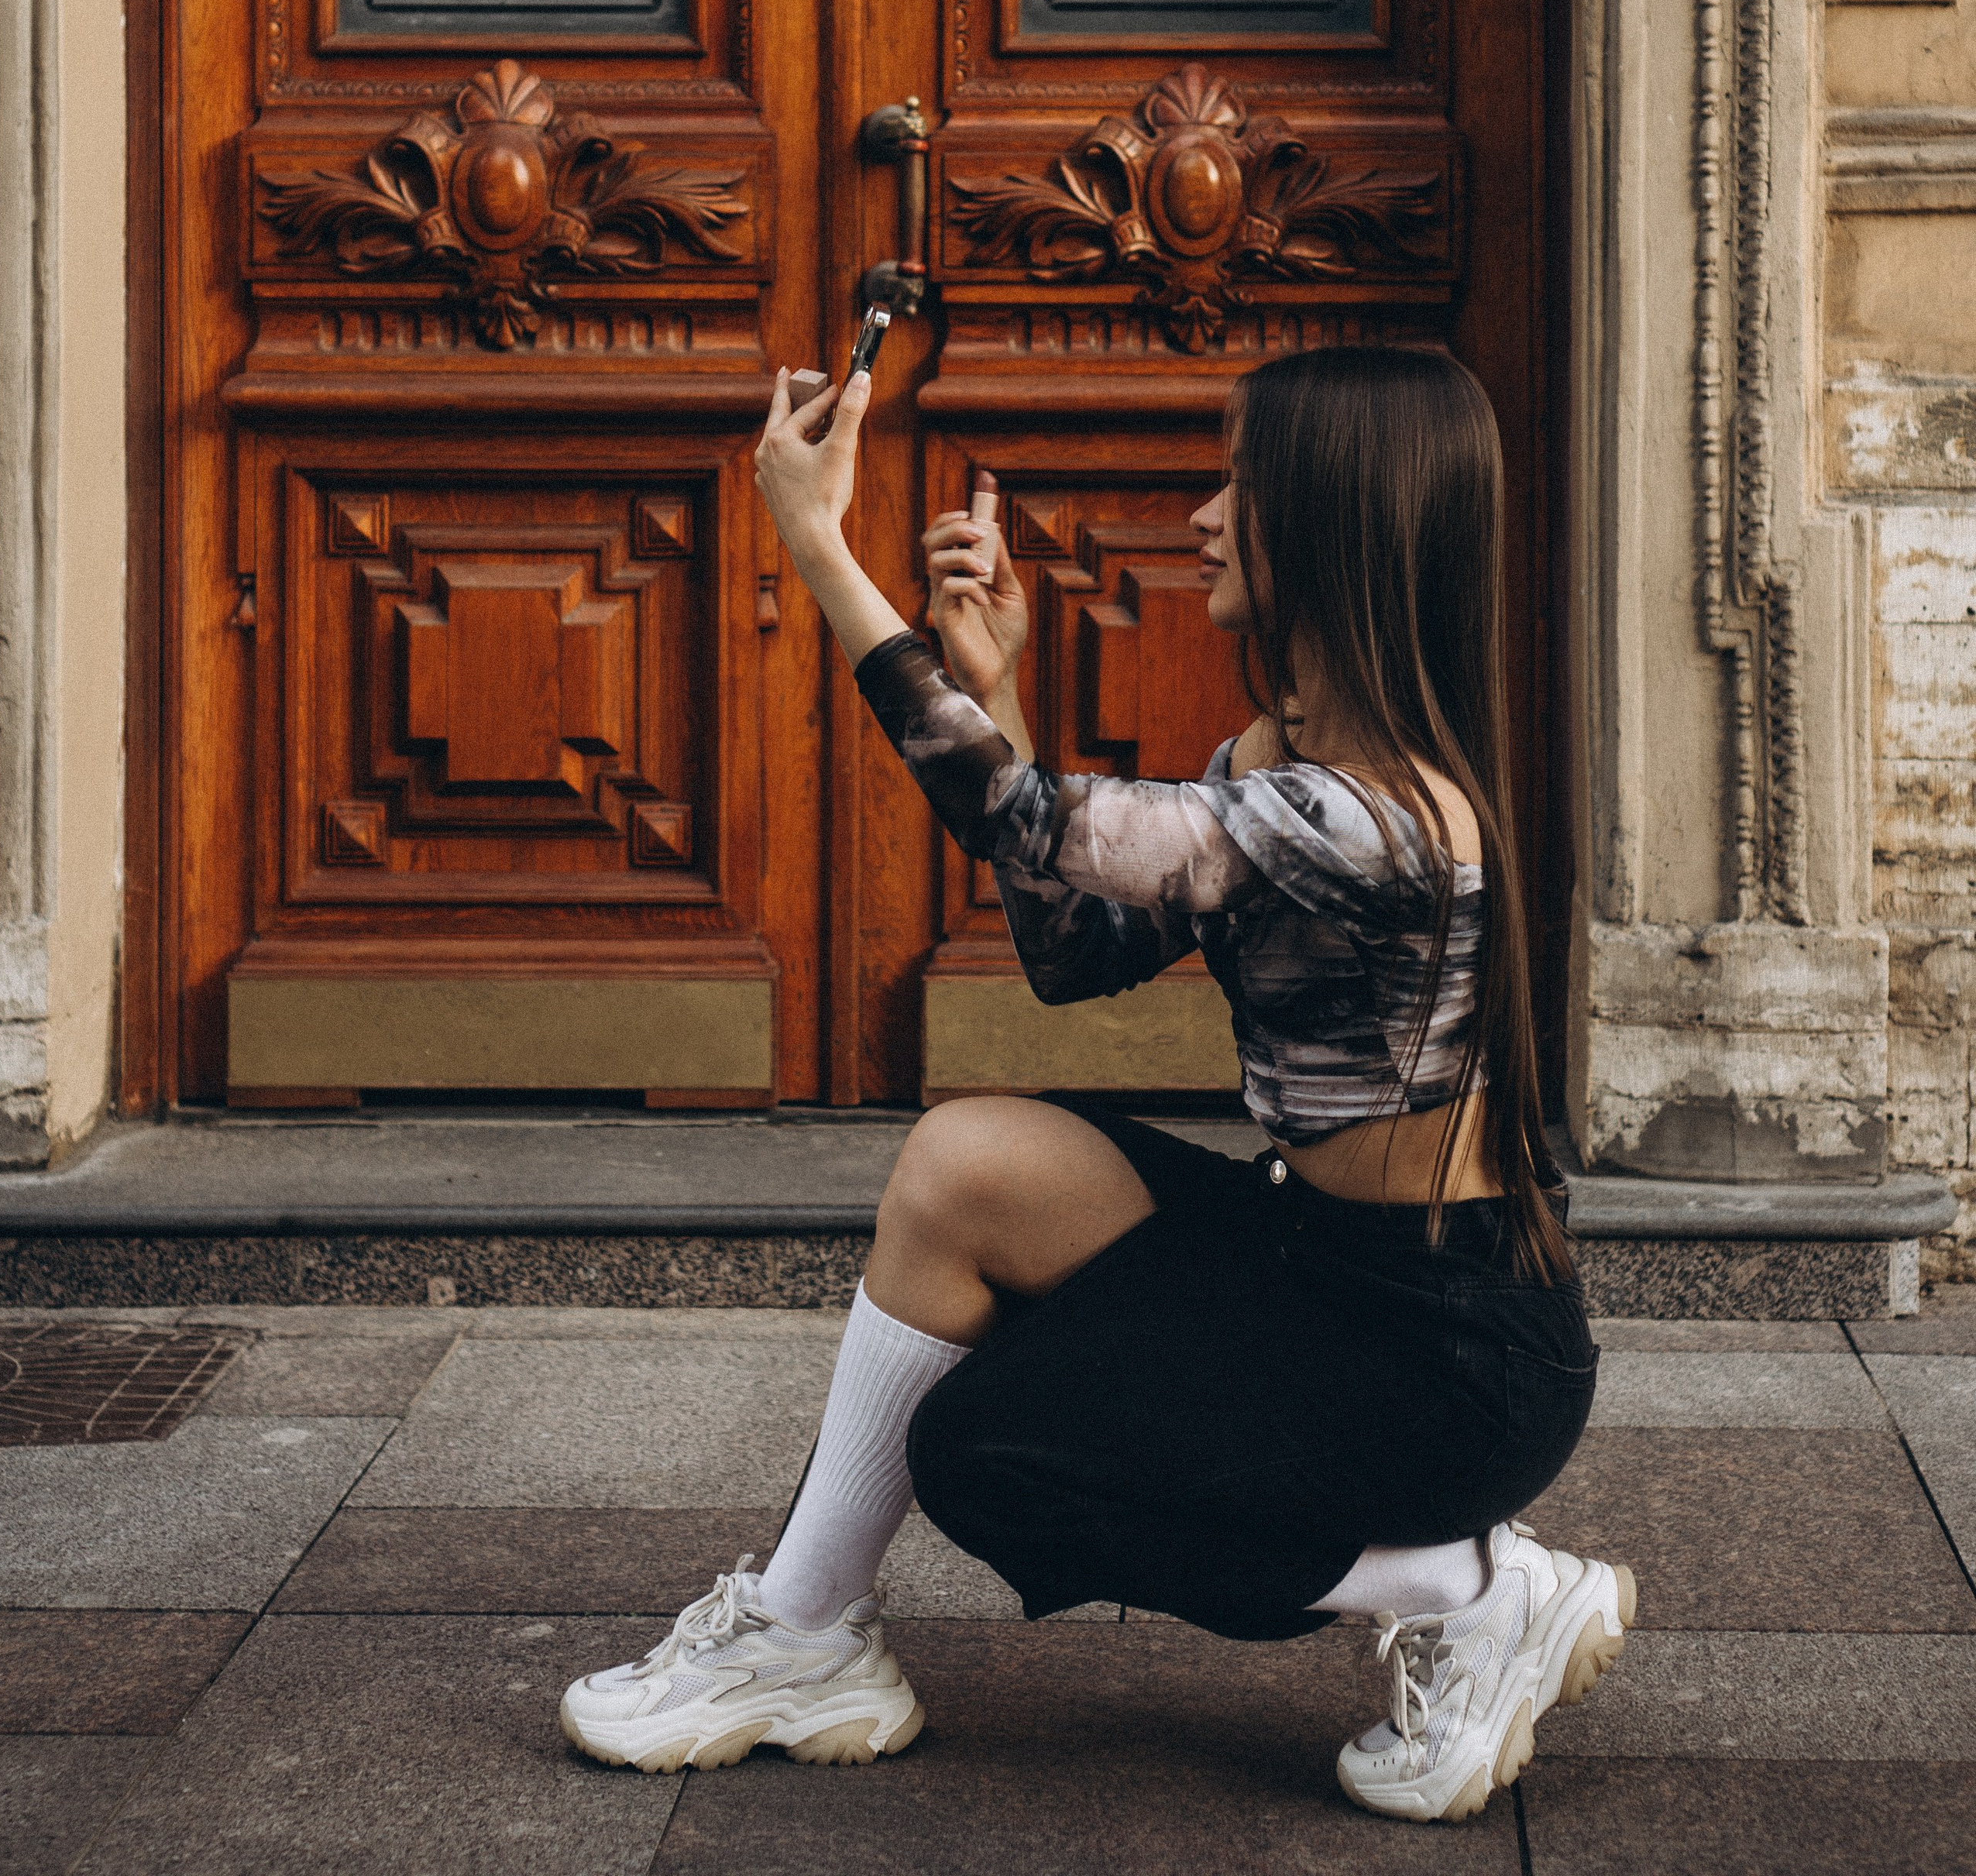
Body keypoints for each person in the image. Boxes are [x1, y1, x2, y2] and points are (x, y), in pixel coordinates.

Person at [560, 344, 1634, 1823]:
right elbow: (1079, 951)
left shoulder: (1377, 819)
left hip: (1449, 1359)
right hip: (1322, 1261)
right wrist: (988, 690)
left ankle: (1466, 1587)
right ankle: (804, 1634)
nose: (1202, 516)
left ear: (1326, 523)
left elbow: (1024, 813)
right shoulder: (1282, 763)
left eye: (1240, 485)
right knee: (964, 1169)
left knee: (987, 1459)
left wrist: (817, 542)